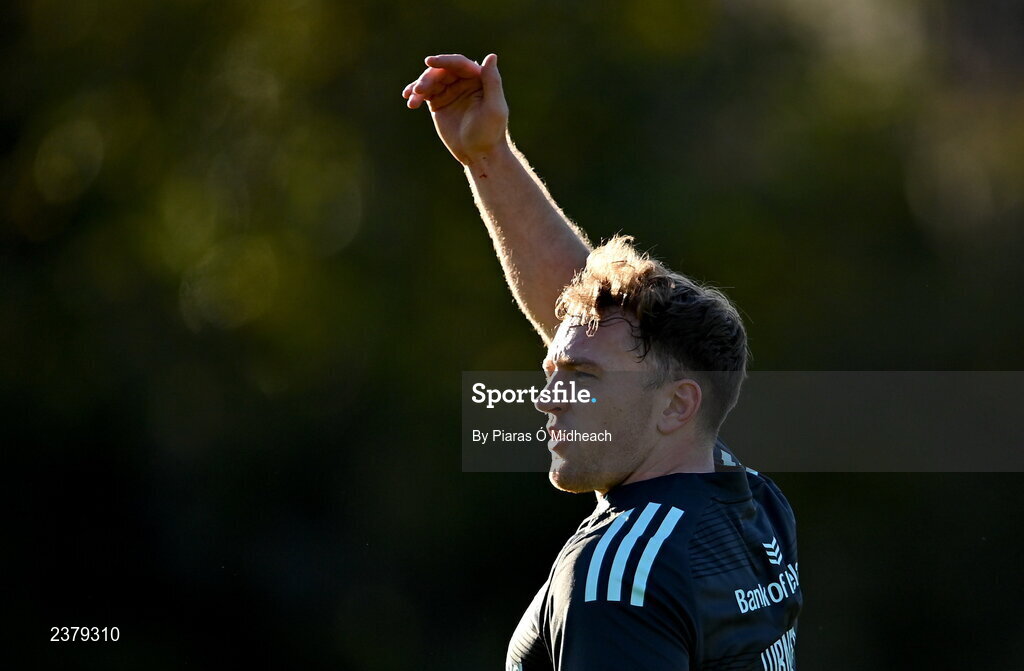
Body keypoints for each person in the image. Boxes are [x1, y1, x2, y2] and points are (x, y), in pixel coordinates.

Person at [403, 53, 802, 671]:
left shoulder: (617, 580)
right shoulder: (748, 501)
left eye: (582, 382)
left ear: (677, 404)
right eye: (555, 375)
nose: (547, 398)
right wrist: (488, 155)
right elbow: (579, 323)